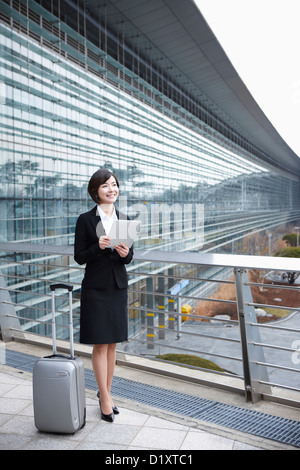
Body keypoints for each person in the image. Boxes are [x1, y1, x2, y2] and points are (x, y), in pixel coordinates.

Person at [74, 168, 133, 422]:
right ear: (95, 191)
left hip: (117, 287)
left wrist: (124, 254)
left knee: (112, 344)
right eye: (106, 186)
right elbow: (79, 257)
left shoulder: (124, 218)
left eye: (114, 185)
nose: (112, 189)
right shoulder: (85, 220)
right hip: (96, 289)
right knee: (100, 343)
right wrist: (97, 248)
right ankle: (106, 399)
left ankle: (105, 393)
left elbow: (129, 257)